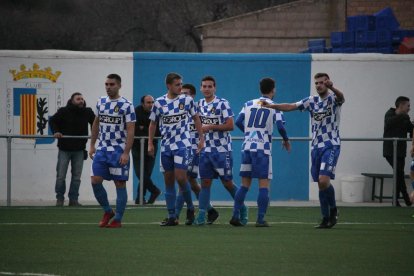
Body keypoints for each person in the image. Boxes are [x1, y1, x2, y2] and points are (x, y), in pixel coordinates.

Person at [262, 72, 344, 229]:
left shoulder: (334, 99)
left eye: (322, 82)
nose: (319, 85)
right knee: (320, 184)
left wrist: (333, 88)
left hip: (331, 144)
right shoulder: (311, 101)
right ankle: (325, 218)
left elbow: (341, 97)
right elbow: (291, 106)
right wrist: (272, 106)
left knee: (324, 180)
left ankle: (333, 210)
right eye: (317, 83)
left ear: (327, 82)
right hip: (315, 147)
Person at [230, 78, 291, 227]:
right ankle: (260, 219)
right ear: (273, 90)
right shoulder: (274, 106)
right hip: (262, 148)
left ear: (260, 89)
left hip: (247, 147)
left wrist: (249, 133)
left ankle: (235, 215)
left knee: (244, 185)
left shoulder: (249, 103)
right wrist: (286, 140)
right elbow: (280, 127)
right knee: (263, 185)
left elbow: (238, 121)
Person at [148, 72, 204, 226]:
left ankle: (190, 207)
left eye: (181, 84)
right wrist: (150, 143)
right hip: (166, 146)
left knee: (181, 177)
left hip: (183, 144)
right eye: (177, 84)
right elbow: (152, 124)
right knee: (168, 181)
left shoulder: (187, 100)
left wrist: (201, 138)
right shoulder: (159, 102)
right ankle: (172, 215)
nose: (180, 87)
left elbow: (196, 118)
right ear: (168, 86)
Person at [195, 75, 248, 226]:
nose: (206, 89)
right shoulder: (199, 104)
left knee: (227, 183)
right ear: (201, 88)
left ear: (214, 88)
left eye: (209, 86)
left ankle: (242, 208)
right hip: (205, 150)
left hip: (222, 150)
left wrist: (211, 126)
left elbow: (230, 125)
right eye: (204, 86)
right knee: (205, 183)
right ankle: (202, 215)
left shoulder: (222, 103)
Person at [89, 74, 136, 228]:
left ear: (119, 86)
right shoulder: (101, 102)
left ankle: (118, 219)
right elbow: (96, 124)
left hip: (118, 150)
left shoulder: (127, 105)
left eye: (112, 84)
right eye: (107, 84)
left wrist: (126, 152)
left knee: (120, 183)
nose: (109, 87)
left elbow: (131, 130)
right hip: (102, 149)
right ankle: (108, 211)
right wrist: (92, 145)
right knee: (95, 180)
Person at [172, 84, 219, 224]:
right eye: (181, 93)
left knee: (183, 181)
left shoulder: (199, 108)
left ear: (192, 96)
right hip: (184, 149)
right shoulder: (179, 110)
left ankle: (177, 215)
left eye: (186, 93)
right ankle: (210, 210)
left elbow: (208, 126)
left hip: (197, 151)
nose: (183, 96)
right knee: (190, 182)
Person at [49, 92, 95, 207]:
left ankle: (73, 200)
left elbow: (96, 123)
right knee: (61, 176)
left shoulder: (87, 111)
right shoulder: (63, 111)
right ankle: (60, 199)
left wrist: (96, 134)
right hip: (64, 149)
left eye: (82, 99)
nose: (81, 101)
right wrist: (56, 131)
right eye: (78, 99)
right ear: (72, 100)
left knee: (76, 177)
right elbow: (52, 121)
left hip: (79, 149)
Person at [383, 96, 413, 207]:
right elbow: (389, 123)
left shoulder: (405, 117)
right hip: (390, 151)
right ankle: (406, 199)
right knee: (399, 173)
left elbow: (411, 129)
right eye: (408, 106)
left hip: (401, 152)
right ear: (401, 105)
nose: (409, 108)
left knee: (398, 174)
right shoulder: (389, 113)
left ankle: (395, 200)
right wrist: (403, 116)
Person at [132, 95, 161, 205]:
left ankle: (140, 198)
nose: (151, 104)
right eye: (148, 102)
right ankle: (154, 191)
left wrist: (143, 128)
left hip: (152, 146)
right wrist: (148, 130)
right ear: (142, 103)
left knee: (147, 173)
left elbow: (158, 132)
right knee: (140, 172)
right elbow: (133, 129)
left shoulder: (157, 112)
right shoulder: (136, 112)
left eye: (152, 102)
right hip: (136, 146)